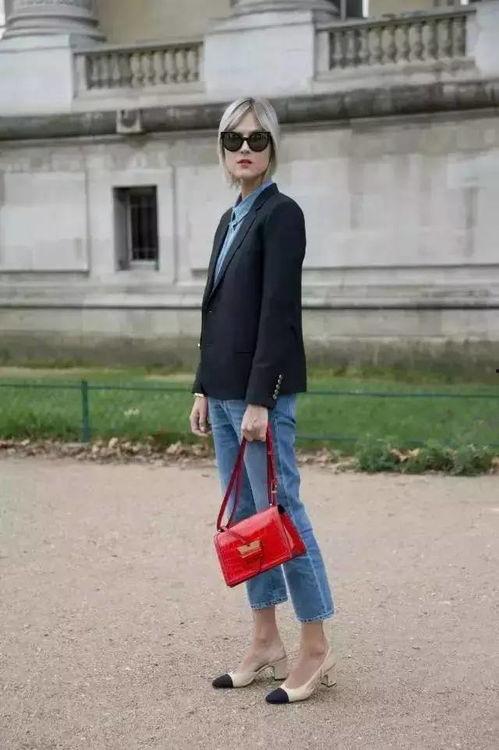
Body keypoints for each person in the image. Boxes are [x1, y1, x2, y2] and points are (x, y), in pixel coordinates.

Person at [189, 96, 336, 704]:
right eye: (234, 139)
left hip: (257, 398)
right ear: (222, 150)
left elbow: (278, 314)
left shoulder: (282, 214)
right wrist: (202, 385)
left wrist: (260, 401)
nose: (245, 149)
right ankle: (266, 639)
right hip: (223, 391)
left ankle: (315, 646)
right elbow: (216, 312)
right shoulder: (230, 219)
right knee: (249, 520)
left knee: (283, 513)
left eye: (257, 139)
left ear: (273, 147)